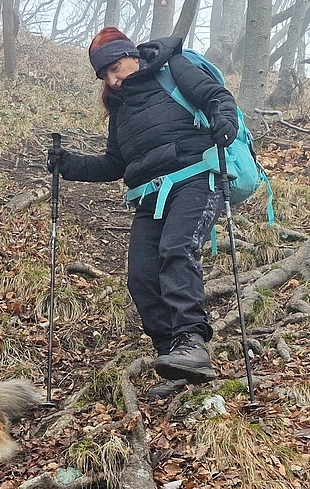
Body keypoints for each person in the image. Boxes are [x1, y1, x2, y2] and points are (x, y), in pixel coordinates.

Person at [48, 27, 239, 399]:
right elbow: (115, 164)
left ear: (133, 55)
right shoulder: (120, 111)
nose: (113, 79)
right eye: (104, 75)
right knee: (140, 275)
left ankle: (192, 344)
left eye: (116, 68)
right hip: (152, 196)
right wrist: (69, 165)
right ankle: (173, 359)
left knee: (177, 249)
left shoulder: (175, 69)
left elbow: (217, 96)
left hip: (198, 179)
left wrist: (224, 121)